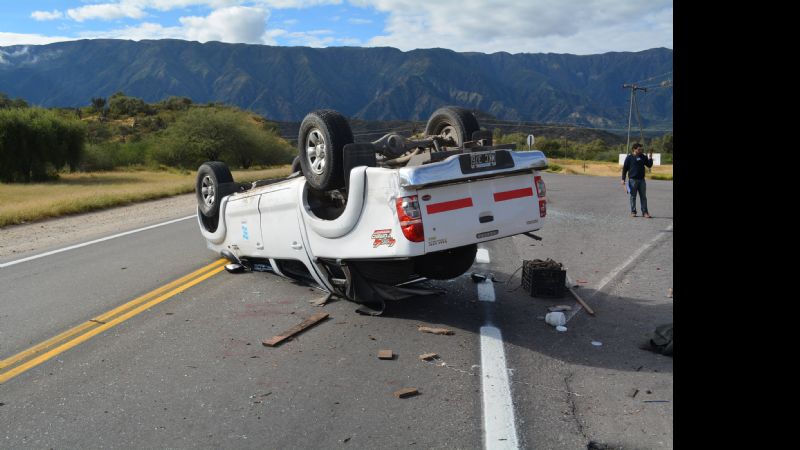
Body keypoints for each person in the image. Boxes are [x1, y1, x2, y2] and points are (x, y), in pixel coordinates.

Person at [621, 142, 653, 218]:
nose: (640, 151)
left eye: (641, 149)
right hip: (632, 180)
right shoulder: (629, 158)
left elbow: (649, 165)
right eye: (639, 149)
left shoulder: (643, 157)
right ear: (634, 149)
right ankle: (633, 211)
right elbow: (625, 169)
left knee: (643, 197)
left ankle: (645, 212)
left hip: (642, 180)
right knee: (633, 196)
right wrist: (623, 179)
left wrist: (650, 158)